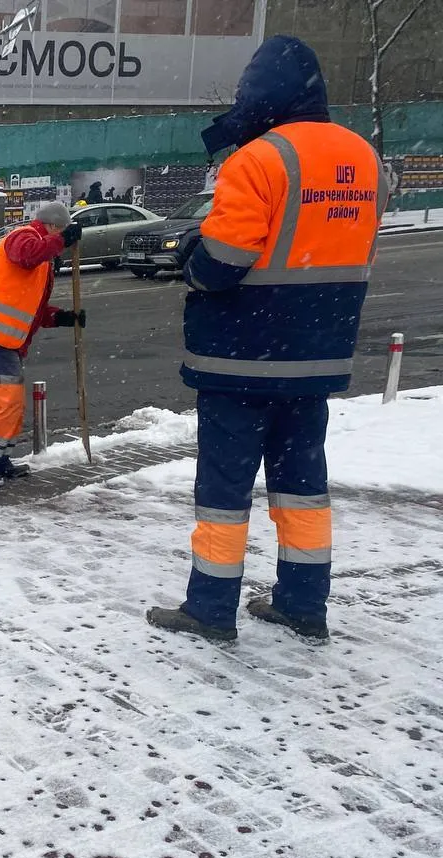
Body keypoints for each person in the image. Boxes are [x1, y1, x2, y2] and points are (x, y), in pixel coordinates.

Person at [146, 35, 386, 647]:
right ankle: (304, 603)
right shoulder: (364, 157)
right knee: (303, 486)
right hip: (317, 356)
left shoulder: (259, 159)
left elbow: (223, 261)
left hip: (243, 358)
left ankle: (210, 608)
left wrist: (191, 259)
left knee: (224, 490)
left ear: (260, 94)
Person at [0, 202, 84, 486]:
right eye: (61, 233)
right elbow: (27, 255)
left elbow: (34, 311)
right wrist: (60, 242)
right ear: (53, 226)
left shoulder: (42, 257)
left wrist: (65, 317)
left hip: (8, 339)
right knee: (6, 403)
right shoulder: (24, 236)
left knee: (13, 404)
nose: (61, 243)